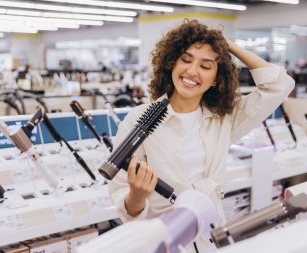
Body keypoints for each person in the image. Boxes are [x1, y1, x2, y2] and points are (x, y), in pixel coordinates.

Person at [109, 19, 295, 251]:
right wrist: (137, 196)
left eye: (206, 66)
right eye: (185, 60)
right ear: (172, 63)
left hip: (210, 236)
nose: (192, 71)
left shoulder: (224, 118)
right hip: (162, 239)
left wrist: (228, 46)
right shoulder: (139, 120)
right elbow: (120, 195)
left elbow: (280, 85)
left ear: (217, 77)